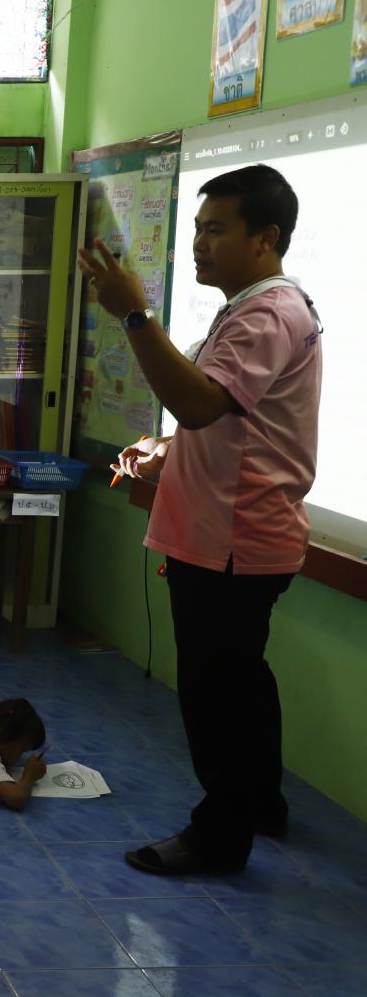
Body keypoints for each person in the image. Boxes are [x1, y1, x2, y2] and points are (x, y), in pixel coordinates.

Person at [78, 164, 321, 876]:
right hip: (232, 535)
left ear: (266, 237)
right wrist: (165, 451)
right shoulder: (250, 306)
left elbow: (201, 405)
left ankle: (221, 835)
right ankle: (261, 804)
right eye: (196, 228)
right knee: (245, 681)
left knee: (218, 696)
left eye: (217, 229)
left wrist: (132, 314)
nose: (199, 242)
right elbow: (222, 416)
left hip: (231, 542)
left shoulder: (268, 312)